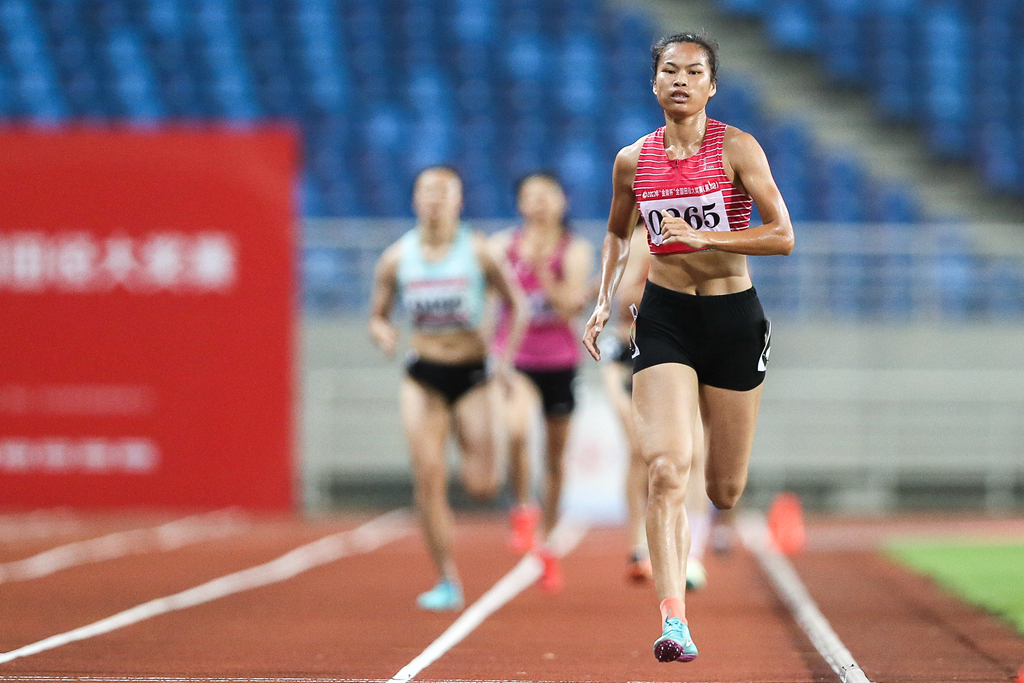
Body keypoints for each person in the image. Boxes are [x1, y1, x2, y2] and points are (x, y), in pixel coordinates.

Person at [582, 32, 793, 663]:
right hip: (666, 316)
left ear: (711, 85)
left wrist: (711, 240)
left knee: (723, 489)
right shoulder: (632, 161)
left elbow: (782, 235)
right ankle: (675, 620)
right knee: (667, 468)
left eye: (693, 71)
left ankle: (704, 539)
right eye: (669, 70)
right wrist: (602, 300)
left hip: (733, 318)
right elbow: (618, 234)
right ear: (654, 84)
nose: (680, 80)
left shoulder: (736, 147)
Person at [368, 166, 528, 611]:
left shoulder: (477, 252)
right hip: (423, 375)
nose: (435, 199)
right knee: (428, 476)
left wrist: (505, 359)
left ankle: (473, 443)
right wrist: (382, 331)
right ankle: (445, 578)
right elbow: (377, 313)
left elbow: (518, 306)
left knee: (481, 486)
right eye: (427, 191)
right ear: (415, 199)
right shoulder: (397, 258)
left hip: (473, 375)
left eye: (444, 191)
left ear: (459, 200)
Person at [489, 172, 593, 593]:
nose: (539, 203)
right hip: (514, 360)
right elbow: (490, 304)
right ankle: (522, 509)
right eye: (530, 196)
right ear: (519, 204)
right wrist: (488, 355)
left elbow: (569, 307)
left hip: (559, 361)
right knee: (515, 430)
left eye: (547, 195)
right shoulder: (500, 247)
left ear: (562, 202)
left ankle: (548, 539)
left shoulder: (577, 249)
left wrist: (540, 271)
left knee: (555, 458)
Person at [599, 222, 711, 590]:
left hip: (691, 351)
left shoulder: (710, 231)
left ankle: (692, 552)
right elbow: (623, 298)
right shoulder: (638, 240)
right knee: (638, 453)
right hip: (634, 351)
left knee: (691, 455)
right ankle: (638, 545)